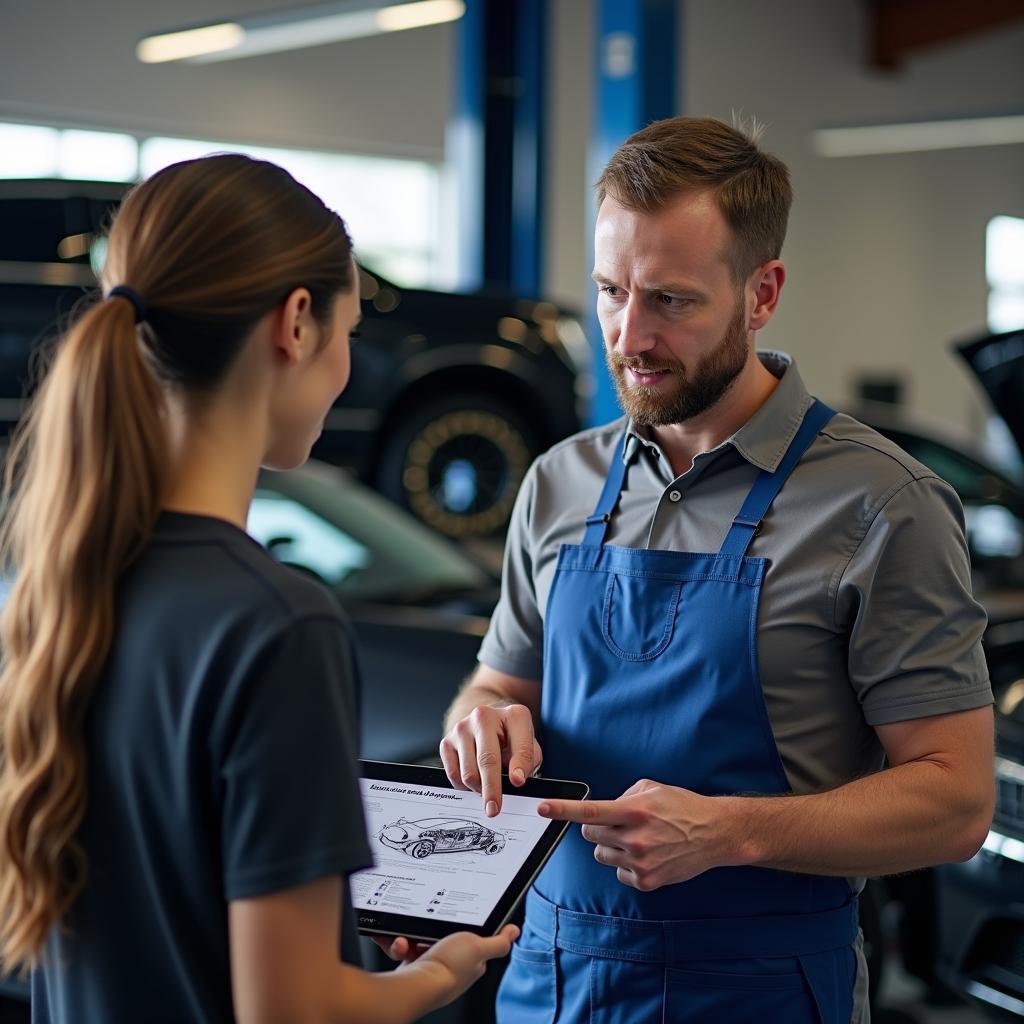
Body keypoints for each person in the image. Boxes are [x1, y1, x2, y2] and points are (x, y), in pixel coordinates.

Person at [440, 116, 995, 1023]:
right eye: (611, 291)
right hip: (554, 981)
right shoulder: (559, 481)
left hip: (760, 989)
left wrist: (733, 832)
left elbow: (956, 799)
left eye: (671, 300)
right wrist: (480, 726)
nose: (629, 337)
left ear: (761, 292)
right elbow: (495, 684)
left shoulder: (883, 505)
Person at [0, 154, 515, 1023]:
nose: (349, 363)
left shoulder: (58, 594)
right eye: (351, 330)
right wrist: (442, 972)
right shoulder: (279, 625)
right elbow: (290, 1010)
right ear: (297, 324)